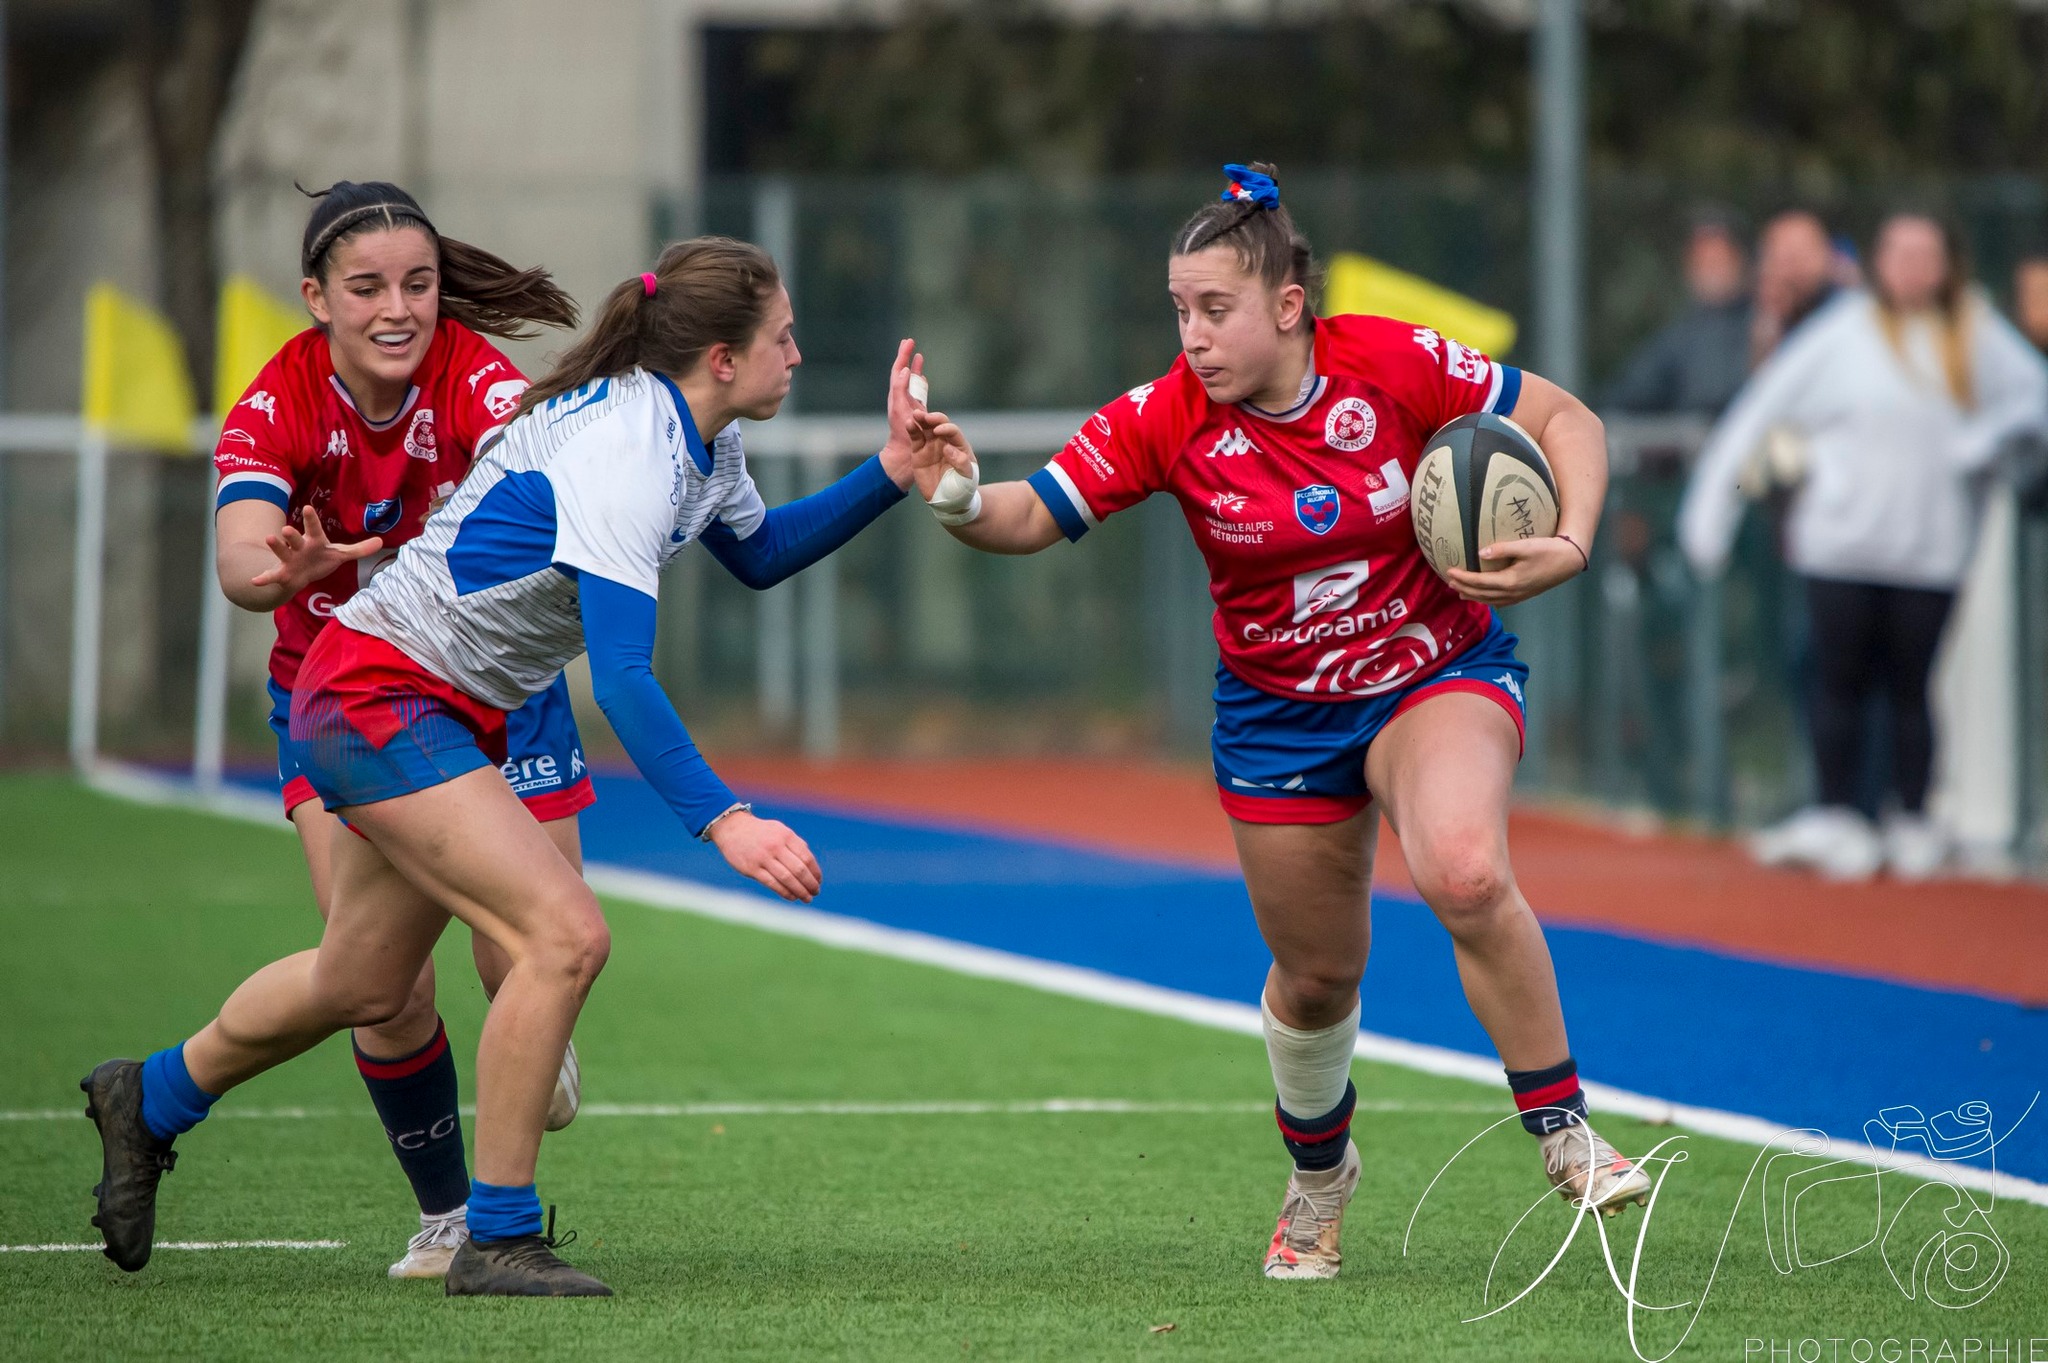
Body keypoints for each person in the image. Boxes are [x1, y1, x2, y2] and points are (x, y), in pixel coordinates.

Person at [83, 237, 930, 1296]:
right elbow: (621, 679)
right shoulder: (631, 449)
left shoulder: (696, 440)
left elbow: (759, 556)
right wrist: (726, 820)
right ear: (721, 357)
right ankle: (497, 1235)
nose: (797, 355)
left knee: (360, 979)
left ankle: (147, 1096)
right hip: (376, 696)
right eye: (783, 336)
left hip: (416, 699)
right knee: (564, 934)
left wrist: (893, 473)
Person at [910, 164, 1650, 1281]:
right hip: (1277, 721)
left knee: (1460, 870)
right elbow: (1028, 515)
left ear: (1287, 308)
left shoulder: (1391, 361)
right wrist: (959, 493)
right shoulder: (1165, 415)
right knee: (1315, 978)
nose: (1192, 335)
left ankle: (1561, 1127)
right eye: (1178, 310)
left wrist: (1572, 536)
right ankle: (1318, 1178)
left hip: (1430, 669)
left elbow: (1562, 418)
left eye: (1214, 310)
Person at [211, 181, 590, 1277]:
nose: (398, 308)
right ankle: (447, 1218)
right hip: (341, 699)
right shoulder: (276, 401)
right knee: (377, 978)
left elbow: (545, 478)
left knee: (534, 936)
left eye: (417, 285)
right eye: (367, 286)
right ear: (315, 298)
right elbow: (241, 558)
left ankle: (535, 1031)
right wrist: (276, 568)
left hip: (495, 675)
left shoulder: (473, 376)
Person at [1679, 213, 2048, 879]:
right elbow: (1758, 416)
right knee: (1838, 681)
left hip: (1931, 553)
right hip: (1840, 547)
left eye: (1923, 253)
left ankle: (1913, 819)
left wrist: (1990, 442)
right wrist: (1712, 511)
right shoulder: (1841, 333)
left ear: (1946, 263)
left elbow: (2034, 400)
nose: (1909, 266)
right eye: (1897, 252)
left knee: (1912, 685)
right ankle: (1838, 815)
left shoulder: (1977, 333)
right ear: (1878, 260)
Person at [1604, 212, 1752, 418]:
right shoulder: (1679, 336)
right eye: (1702, 262)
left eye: (1718, 260)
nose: (1710, 270)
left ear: (1739, 261)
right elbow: (1631, 395)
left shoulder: (1764, 323)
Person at [1750, 210, 1839, 363]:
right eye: (1782, 257)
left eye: (1800, 255)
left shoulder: (1850, 318)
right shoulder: (1754, 323)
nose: (1793, 270)